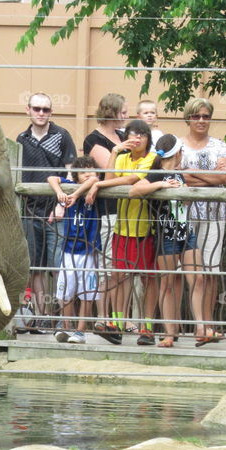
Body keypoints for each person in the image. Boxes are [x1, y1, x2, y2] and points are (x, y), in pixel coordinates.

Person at [129, 134, 221, 347]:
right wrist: (161, 185)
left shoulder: (179, 174)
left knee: (197, 278)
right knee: (168, 283)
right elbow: (135, 190)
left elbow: (183, 200)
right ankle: (170, 333)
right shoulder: (155, 174)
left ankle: (201, 326)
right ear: (177, 152)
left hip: (186, 231)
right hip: (166, 235)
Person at [88, 119, 159, 345]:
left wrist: (98, 185)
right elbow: (111, 178)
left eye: (141, 135)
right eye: (132, 134)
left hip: (147, 229)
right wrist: (115, 151)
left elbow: (131, 180)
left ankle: (147, 328)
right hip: (123, 228)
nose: (136, 139)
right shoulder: (122, 156)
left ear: (148, 138)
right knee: (120, 278)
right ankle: (117, 325)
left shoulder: (152, 158)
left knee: (149, 280)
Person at [17, 92, 78, 331]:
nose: (41, 113)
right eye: (36, 109)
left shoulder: (62, 136)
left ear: (51, 112)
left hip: (57, 212)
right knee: (36, 266)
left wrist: (62, 204)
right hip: (30, 211)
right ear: (28, 110)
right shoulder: (21, 139)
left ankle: (64, 319)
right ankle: (42, 317)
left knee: (59, 266)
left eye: (45, 109)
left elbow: (71, 173)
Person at [180, 97, 226, 331]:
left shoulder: (220, 145)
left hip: (214, 214)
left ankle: (208, 324)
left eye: (206, 116)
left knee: (210, 271)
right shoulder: (179, 146)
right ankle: (193, 324)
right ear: (188, 118)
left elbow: (224, 178)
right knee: (191, 273)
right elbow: (180, 176)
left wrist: (194, 173)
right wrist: (209, 174)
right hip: (186, 215)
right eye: (196, 116)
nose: (201, 120)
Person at [83, 93, 127, 344]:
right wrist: (118, 150)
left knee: (120, 268)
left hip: (126, 212)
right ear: (111, 112)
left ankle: (118, 319)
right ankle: (102, 318)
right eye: (123, 111)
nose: (127, 116)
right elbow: (109, 175)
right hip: (106, 212)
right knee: (106, 267)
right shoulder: (94, 139)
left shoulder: (122, 136)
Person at [47, 156, 101, 344]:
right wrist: (60, 193)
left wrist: (76, 195)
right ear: (75, 175)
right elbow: (52, 179)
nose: (88, 174)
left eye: (91, 169)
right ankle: (66, 326)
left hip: (89, 249)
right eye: (83, 171)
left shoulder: (95, 185)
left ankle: (80, 331)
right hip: (69, 248)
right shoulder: (69, 184)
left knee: (87, 291)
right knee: (66, 290)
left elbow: (94, 180)